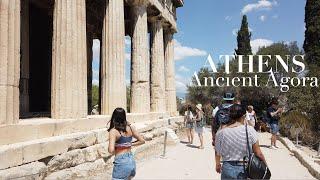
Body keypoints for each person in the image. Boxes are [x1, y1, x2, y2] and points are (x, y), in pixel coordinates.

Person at [215, 104, 267, 179]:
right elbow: (258, 153)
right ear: (243, 116)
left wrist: (217, 164)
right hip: (244, 169)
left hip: (227, 169)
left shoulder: (221, 133)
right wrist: (265, 167)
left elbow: (217, 152)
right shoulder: (250, 130)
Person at [108, 108, 145, 180]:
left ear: (114, 117)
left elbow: (111, 150)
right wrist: (129, 144)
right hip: (131, 160)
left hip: (121, 161)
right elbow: (142, 140)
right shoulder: (130, 128)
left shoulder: (114, 131)